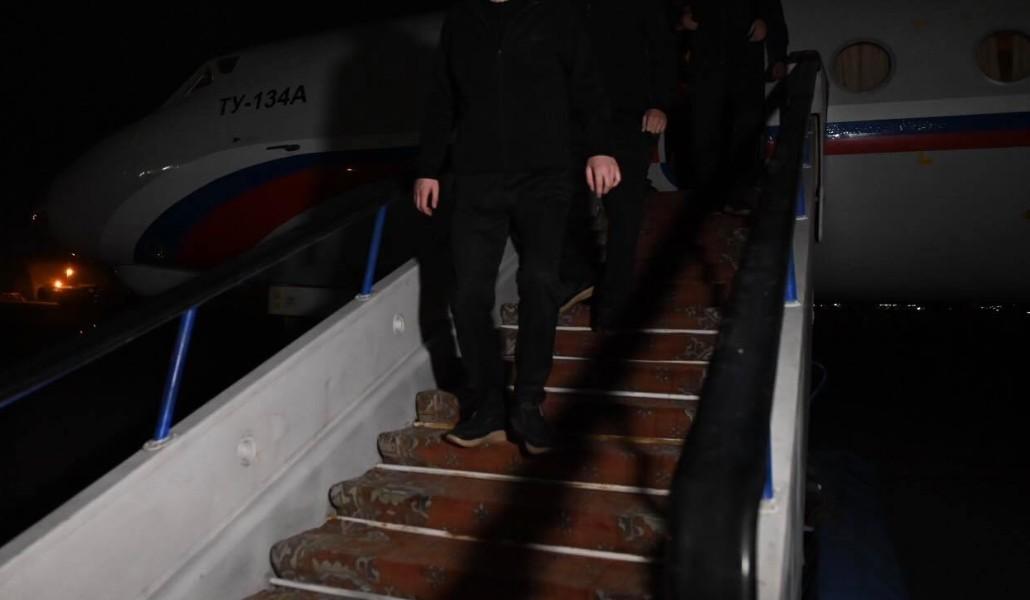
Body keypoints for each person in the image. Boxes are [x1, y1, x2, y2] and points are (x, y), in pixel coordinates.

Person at [413, 0, 621, 454]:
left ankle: (527, 403)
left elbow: (588, 84)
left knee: (539, 280)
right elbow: (443, 97)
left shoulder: (556, 14)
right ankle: (488, 405)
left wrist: (600, 148)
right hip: (476, 179)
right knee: (467, 294)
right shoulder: (461, 20)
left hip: (544, 177)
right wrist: (428, 169)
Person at [559, 0, 678, 331]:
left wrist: (659, 104)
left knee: (624, 213)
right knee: (561, 201)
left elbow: (662, 47)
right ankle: (579, 277)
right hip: (575, 119)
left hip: (628, 117)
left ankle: (613, 308)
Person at [678, 0, 788, 214]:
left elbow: (772, 11)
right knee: (706, 129)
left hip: (745, 60)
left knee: (745, 129)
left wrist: (778, 57)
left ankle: (740, 195)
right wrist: (680, 17)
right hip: (706, 61)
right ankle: (709, 197)